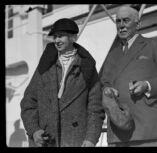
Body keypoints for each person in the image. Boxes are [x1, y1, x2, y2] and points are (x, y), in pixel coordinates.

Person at [100, 6, 157, 147]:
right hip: (118, 131)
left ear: (138, 24)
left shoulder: (153, 45)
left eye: (126, 20)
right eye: (118, 21)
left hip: (148, 131)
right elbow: (104, 85)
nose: (121, 25)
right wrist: (107, 90)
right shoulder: (112, 55)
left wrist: (147, 85)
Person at [20, 18, 105, 147]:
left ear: (72, 38)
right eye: (55, 37)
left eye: (61, 36)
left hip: (76, 140)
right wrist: (34, 130)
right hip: (45, 139)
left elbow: (96, 108)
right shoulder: (45, 66)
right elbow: (28, 102)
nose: (57, 41)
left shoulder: (87, 67)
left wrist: (91, 139)